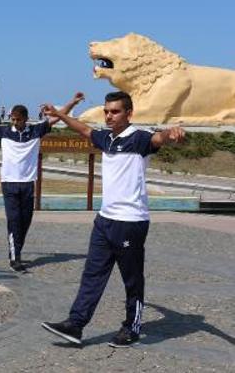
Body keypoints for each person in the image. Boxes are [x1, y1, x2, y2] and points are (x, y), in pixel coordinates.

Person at [40, 91, 185, 348]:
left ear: (129, 113)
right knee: (92, 274)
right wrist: (60, 114)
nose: (109, 116)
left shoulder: (139, 138)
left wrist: (171, 134)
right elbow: (84, 130)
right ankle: (75, 325)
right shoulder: (106, 137)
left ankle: (133, 327)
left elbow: (158, 138)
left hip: (130, 222)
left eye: (115, 111)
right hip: (104, 220)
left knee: (132, 279)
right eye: (106, 111)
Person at [0, 92, 85, 272]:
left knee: (25, 221)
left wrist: (73, 102)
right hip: (9, 183)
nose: (14, 122)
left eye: (17, 119)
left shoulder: (36, 130)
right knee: (14, 220)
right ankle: (15, 258)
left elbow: (58, 117)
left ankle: (16, 250)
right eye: (12, 119)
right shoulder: (4, 131)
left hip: (28, 183)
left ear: (25, 119)